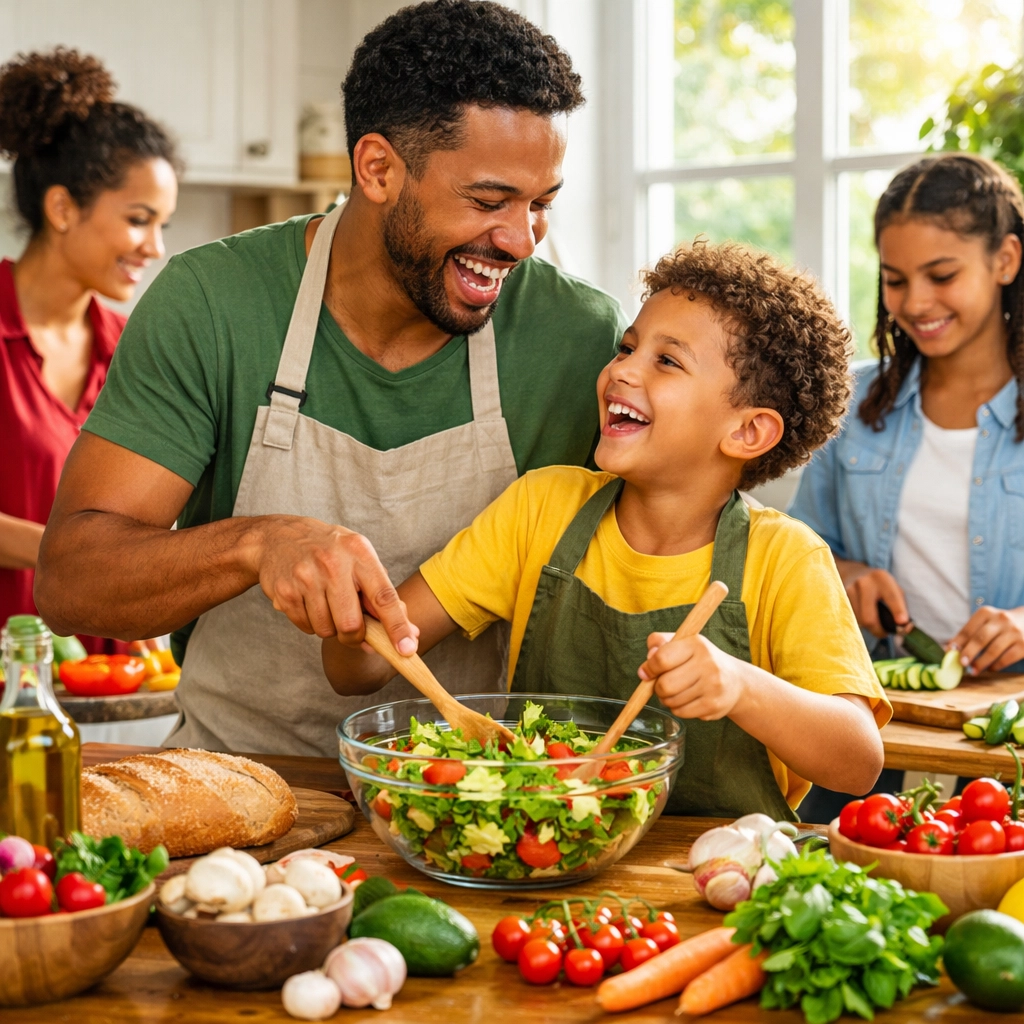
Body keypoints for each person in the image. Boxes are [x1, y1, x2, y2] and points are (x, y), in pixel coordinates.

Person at [35, 1, 627, 756]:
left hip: (483, 802)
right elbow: (69, 582)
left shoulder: (577, 338)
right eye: (487, 201)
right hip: (238, 784)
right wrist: (256, 544)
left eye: (541, 204)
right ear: (377, 168)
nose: (519, 240)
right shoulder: (213, 303)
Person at [323, 240, 889, 818]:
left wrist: (741, 688)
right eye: (627, 347)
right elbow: (357, 669)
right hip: (543, 852)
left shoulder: (784, 558)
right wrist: (347, 616)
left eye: (667, 361)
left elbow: (857, 761)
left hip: (717, 873)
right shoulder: (542, 508)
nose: (622, 370)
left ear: (748, 432)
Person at [791, 153, 1024, 675]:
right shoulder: (854, 399)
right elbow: (798, 548)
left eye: (941, 276)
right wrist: (847, 575)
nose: (916, 303)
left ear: (1005, 259)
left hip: (1010, 723)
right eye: (895, 280)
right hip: (888, 712)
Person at [0, 48, 179, 652]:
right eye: (138, 219)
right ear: (61, 208)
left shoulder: (133, 344)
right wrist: (75, 562)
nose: (153, 247)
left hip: (114, 683)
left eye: (164, 225)